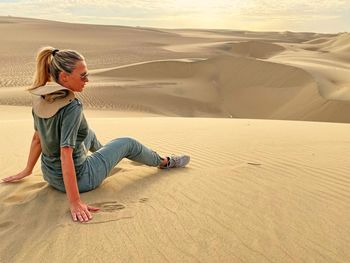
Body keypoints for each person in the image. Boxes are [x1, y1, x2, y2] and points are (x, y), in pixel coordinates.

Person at [1, 47, 190, 223]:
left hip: (50, 176)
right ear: (65, 77)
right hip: (82, 179)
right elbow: (65, 153)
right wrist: (75, 202)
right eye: (83, 76)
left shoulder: (40, 98)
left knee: (87, 133)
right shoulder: (71, 107)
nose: (87, 80)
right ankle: (165, 162)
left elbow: (37, 138)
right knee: (127, 143)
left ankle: (105, 154)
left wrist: (27, 170)